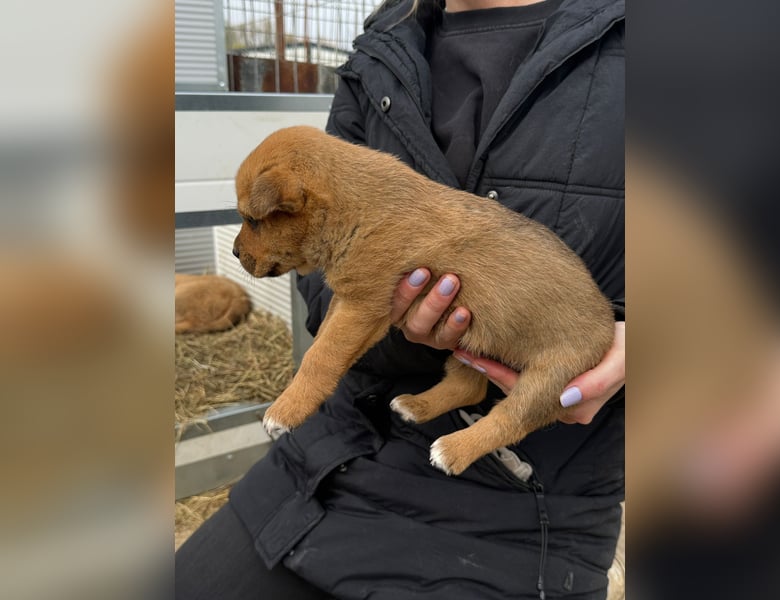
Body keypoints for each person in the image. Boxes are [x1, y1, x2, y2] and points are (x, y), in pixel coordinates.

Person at [176, 0, 625, 598]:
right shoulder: (379, 48)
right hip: (339, 453)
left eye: (254, 224)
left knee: (527, 396)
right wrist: (355, 298)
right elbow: (326, 287)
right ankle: (447, 396)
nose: (245, 244)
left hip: (529, 505)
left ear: (284, 201)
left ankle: (477, 436)